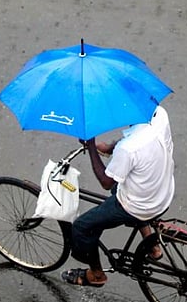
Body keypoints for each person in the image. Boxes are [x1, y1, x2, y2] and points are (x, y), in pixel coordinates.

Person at [62, 106, 174, 287]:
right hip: (162, 190)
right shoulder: (160, 114)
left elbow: (106, 181)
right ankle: (152, 246)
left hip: (138, 205)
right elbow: (134, 142)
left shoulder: (128, 148)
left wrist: (91, 146)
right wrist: (108, 148)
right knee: (122, 185)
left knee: (82, 227)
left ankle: (96, 276)